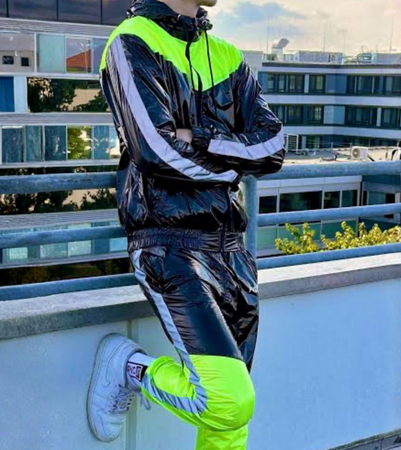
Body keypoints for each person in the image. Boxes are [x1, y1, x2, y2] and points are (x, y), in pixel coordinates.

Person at [86, 0, 285, 448]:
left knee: (228, 427)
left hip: (232, 250)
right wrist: (234, 166)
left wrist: (201, 139)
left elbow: (273, 147)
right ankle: (131, 368)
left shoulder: (227, 55)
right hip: (169, 244)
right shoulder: (132, 41)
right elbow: (155, 151)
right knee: (228, 401)